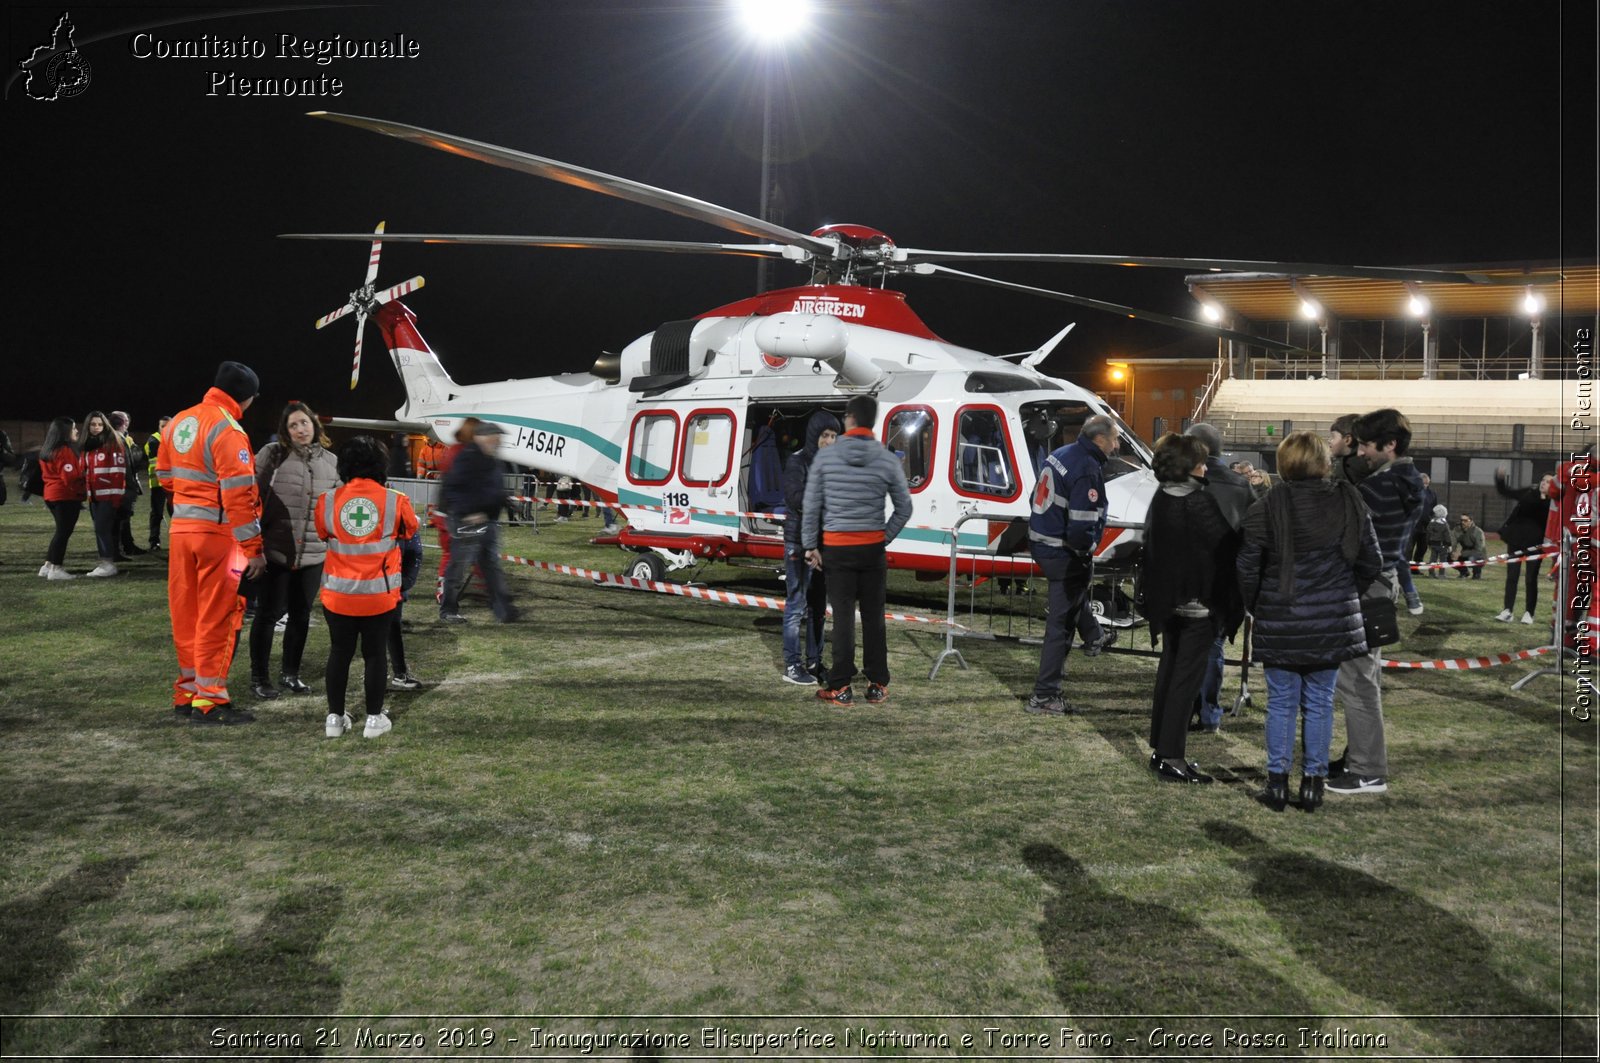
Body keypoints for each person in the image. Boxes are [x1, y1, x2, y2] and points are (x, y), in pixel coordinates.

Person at [1237, 431, 1381, 812]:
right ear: (1323, 463)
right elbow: (1372, 562)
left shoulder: (1265, 506)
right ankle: (1313, 784)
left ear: (1284, 465)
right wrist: (1344, 593)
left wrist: (1255, 605)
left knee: (1281, 703)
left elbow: (1247, 567)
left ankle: (1278, 784)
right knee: (1319, 703)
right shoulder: (1349, 501)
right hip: (1332, 619)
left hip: (1280, 615)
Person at [157, 361, 266, 724]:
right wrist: (254, 550)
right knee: (218, 618)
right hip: (219, 538)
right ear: (246, 398)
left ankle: (186, 693)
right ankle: (211, 701)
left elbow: (165, 477)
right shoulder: (228, 429)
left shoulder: (178, 422)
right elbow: (240, 498)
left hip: (181, 534)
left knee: (186, 616)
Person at [1328, 407, 1424, 796]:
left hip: (1367, 588)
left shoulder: (1379, 488)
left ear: (1390, 445)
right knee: (1365, 677)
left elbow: (1350, 542)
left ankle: (1367, 770)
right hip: (1381, 586)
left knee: (1358, 682)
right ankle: (1359, 757)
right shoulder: (1404, 479)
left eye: (1367, 445)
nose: (1361, 452)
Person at [1139, 433, 1243, 784]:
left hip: (1168, 604)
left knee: (1169, 674)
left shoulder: (1162, 496)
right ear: (1187, 466)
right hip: (1198, 607)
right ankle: (1172, 756)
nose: (1204, 466)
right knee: (1185, 681)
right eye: (1199, 461)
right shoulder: (1198, 501)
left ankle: (1161, 748)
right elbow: (1226, 547)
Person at [801, 395, 912, 706]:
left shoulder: (826, 458)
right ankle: (877, 683)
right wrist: (884, 538)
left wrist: (811, 545)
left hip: (837, 548)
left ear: (849, 419)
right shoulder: (887, 459)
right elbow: (904, 508)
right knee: (874, 619)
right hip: (872, 550)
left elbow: (811, 506)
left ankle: (840, 686)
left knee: (844, 618)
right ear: (873, 421)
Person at [314, 435, 420, 738]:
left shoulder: (327, 501)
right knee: (375, 655)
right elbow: (409, 528)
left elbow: (323, 532)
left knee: (339, 652)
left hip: (338, 595)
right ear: (381, 465)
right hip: (378, 596)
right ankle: (374, 720)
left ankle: (334, 720)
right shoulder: (395, 500)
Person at [1022, 413, 1117, 716]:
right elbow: (1080, 528)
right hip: (1062, 552)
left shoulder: (1061, 454)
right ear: (1099, 439)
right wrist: (1088, 549)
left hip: (1042, 543)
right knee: (1061, 626)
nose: (1116, 446)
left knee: (1072, 597)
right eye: (1114, 439)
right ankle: (1045, 695)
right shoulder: (1087, 468)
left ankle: (1094, 636)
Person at [248, 401, 340, 699]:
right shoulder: (271, 455)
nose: (301, 429)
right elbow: (249, 497)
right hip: (276, 551)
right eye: (293, 425)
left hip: (314, 554)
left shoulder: (331, 461)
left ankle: (291, 674)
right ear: (285, 430)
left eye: (305, 423)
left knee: (300, 615)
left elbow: (336, 506)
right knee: (267, 614)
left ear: (315, 424)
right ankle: (259, 677)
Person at [1184, 422, 1252, 733]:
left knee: (1184, 646)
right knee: (1213, 646)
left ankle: (1183, 710)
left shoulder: (1185, 480)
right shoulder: (1241, 484)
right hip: (1227, 580)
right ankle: (1209, 714)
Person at [780, 410, 840, 685]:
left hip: (824, 545)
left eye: (834, 436)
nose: (829, 441)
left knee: (818, 607)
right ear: (814, 436)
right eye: (825, 435)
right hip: (799, 543)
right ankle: (792, 665)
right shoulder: (797, 462)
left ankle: (814, 661)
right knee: (797, 605)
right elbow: (795, 498)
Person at [439, 421, 520, 623]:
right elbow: (452, 489)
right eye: (497, 437)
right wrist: (468, 513)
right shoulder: (467, 457)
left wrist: (506, 501)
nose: (500, 441)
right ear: (484, 437)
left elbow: (492, 488)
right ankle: (448, 609)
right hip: (467, 522)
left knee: (490, 567)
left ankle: (503, 610)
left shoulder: (492, 459)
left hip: (489, 522)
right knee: (458, 567)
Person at [1494, 469, 1552, 623]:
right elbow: (1506, 492)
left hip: (1536, 545)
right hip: (1516, 541)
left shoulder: (1553, 502)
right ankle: (1507, 611)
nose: (1543, 483)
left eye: (1548, 482)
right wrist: (1500, 478)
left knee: (1531, 579)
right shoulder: (1528, 493)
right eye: (1543, 480)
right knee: (1512, 576)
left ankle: (1529, 613)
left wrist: (1545, 498)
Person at [78, 410, 127, 577]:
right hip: (94, 495)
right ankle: (106, 562)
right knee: (100, 529)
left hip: (108, 495)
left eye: (99, 424)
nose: (96, 427)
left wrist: (116, 498)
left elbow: (118, 472)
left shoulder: (113, 442)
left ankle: (108, 564)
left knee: (102, 528)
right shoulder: (87, 445)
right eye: (93, 424)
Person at [38, 416, 86, 581]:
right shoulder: (64, 450)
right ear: (65, 432)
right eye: (73, 428)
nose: (76, 431)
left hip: (51, 494)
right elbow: (71, 477)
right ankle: (56, 568)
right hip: (65, 496)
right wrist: (85, 476)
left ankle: (48, 565)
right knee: (63, 533)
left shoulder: (48, 449)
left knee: (60, 532)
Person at [108, 411, 146, 559]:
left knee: (123, 518)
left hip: (124, 484)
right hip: (122, 485)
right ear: (124, 423)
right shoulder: (117, 439)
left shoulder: (122, 438)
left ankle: (127, 545)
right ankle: (116, 551)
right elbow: (126, 466)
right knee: (118, 519)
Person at [145, 416, 172, 550]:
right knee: (157, 513)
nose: (166, 429)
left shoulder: (174, 439)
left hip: (173, 484)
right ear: (158, 427)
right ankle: (154, 541)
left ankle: (178, 540)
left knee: (175, 513)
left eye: (168, 426)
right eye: (163, 426)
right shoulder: (154, 440)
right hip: (158, 484)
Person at [1327, 413, 1369, 484]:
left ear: (1347, 440)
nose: (1329, 440)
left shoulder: (1361, 465)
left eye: (1333, 437)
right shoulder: (1335, 461)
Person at [1450, 514, 1487, 579]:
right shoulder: (1457, 530)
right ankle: (1464, 572)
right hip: (1465, 553)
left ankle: (1477, 574)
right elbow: (1453, 542)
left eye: (1465, 520)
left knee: (1473, 558)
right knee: (1449, 556)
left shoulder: (1478, 532)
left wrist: (1461, 553)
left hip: (1478, 555)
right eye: (1461, 520)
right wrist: (1453, 552)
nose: (1462, 522)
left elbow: (1479, 550)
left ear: (1471, 521)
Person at [1424, 504, 1454, 576]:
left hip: (1433, 544)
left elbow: (1428, 533)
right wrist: (1449, 545)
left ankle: (1431, 573)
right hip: (1442, 545)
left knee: (1432, 559)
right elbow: (1447, 535)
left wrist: (1428, 543)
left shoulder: (1431, 522)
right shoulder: (1444, 524)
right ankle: (1441, 574)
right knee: (1442, 560)